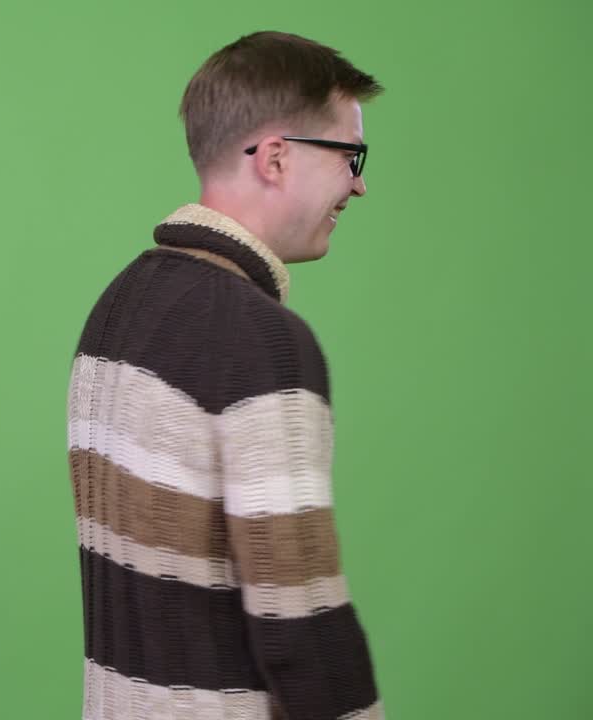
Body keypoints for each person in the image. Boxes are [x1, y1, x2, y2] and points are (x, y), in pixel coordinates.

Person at [66, 32, 382, 719]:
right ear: (275, 157)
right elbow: (301, 620)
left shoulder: (116, 309)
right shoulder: (261, 341)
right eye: (350, 155)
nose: (360, 182)